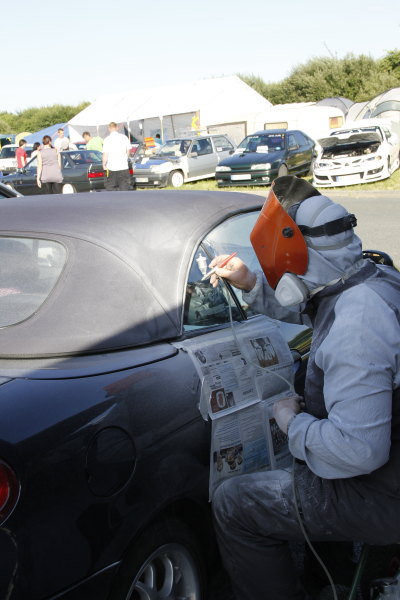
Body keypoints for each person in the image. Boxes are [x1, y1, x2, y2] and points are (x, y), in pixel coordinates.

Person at [210, 176, 400, 600]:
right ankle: (331, 580)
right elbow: (318, 306)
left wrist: (292, 424)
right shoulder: (372, 278)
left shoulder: (357, 327)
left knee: (234, 504)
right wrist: (251, 284)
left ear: (300, 255)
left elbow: (359, 451)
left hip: (383, 492)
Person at [102, 122, 131, 191]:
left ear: (109, 129)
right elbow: (128, 151)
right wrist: (125, 158)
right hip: (123, 167)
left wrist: (104, 164)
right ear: (117, 128)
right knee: (124, 188)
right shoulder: (124, 137)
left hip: (111, 167)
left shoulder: (107, 139)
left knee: (111, 189)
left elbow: (105, 154)